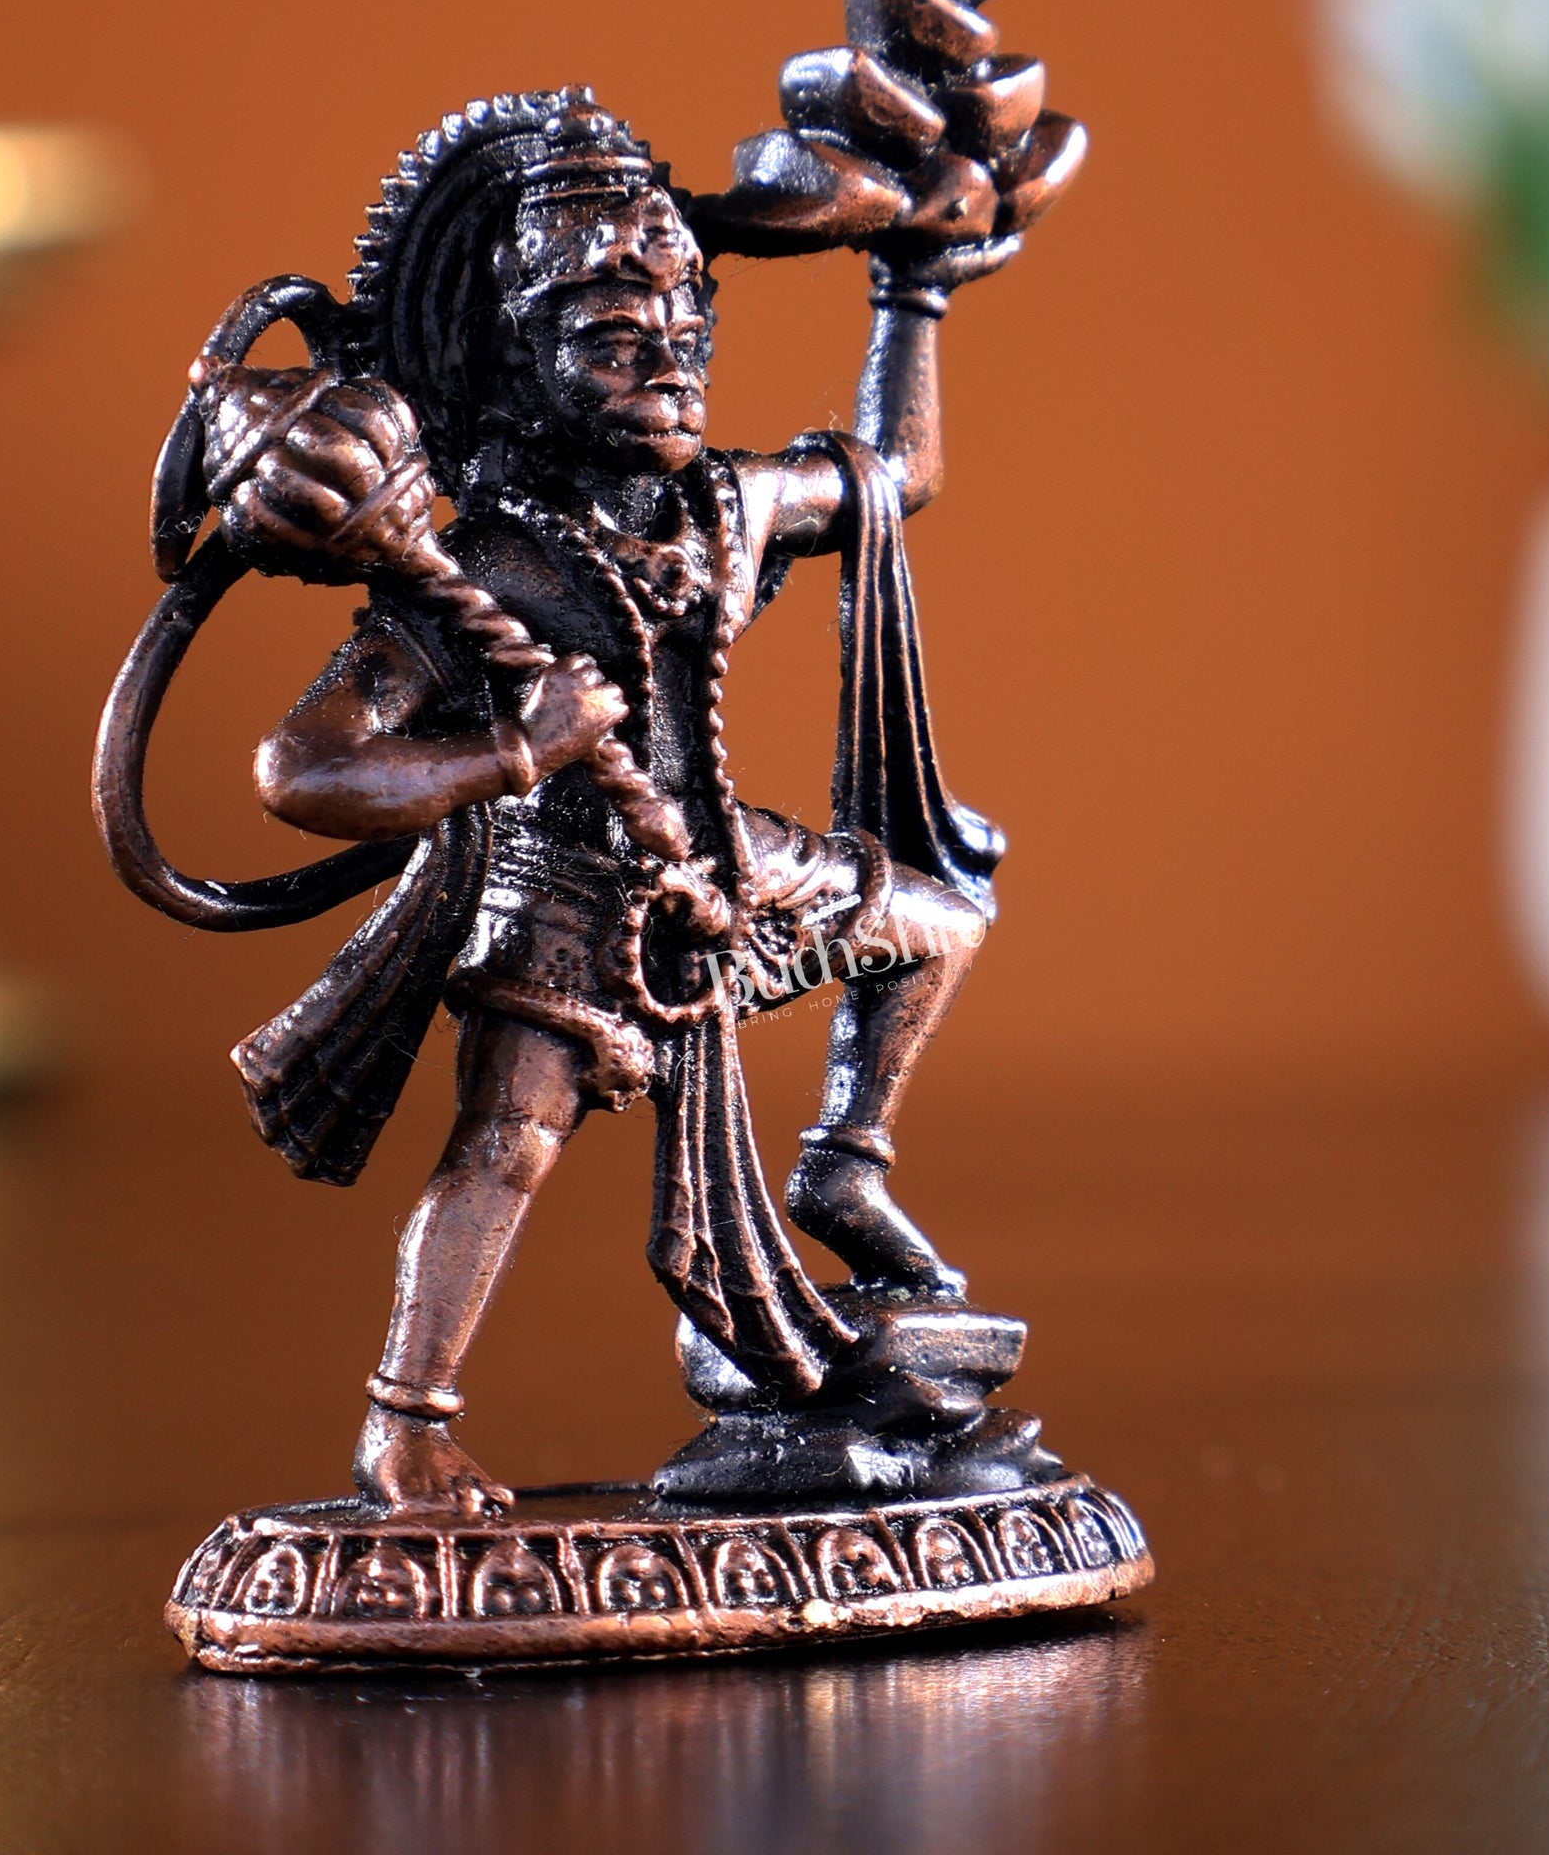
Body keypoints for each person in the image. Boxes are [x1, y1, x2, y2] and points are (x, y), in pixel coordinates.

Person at [216, 92, 1012, 1517]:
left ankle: (843, 1164)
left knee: (938, 924)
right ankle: (403, 1427)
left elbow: (898, 481)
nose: (664, 370)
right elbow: (305, 768)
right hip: (564, 899)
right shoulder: (483, 567)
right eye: (608, 343)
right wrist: (511, 750)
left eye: (686, 337)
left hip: (726, 870)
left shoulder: (728, 507)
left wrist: (914, 291)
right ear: (516, 365)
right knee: (504, 1149)